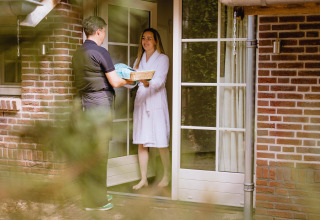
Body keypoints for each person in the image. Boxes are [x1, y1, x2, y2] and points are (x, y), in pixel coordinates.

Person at [72, 16, 132, 210]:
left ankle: (92, 196)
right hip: (100, 108)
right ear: (98, 31)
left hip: (84, 107)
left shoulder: (77, 54)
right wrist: (131, 80)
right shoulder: (100, 52)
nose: (104, 35)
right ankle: (97, 202)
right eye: (104, 31)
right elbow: (115, 81)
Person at [131, 28, 170, 190]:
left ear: (156, 41)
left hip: (156, 101)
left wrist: (146, 81)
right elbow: (133, 81)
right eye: (143, 38)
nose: (145, 41)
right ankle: (143, 179)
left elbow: (159, 81)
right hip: (142, 100)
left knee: (161, 141)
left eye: (149, 38)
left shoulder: (163, 58)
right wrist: (126, 79)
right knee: (142, 142)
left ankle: (167, 175)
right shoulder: (138, 60)